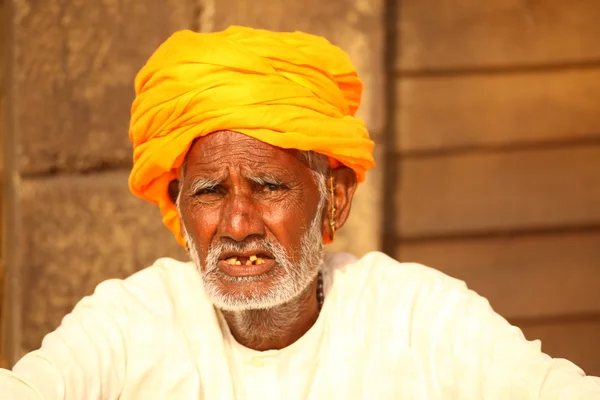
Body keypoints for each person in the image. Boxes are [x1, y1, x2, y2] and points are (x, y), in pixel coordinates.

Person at [1, 26, 599, 399]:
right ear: (179, 205)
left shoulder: (419, 318)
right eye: (210, 192)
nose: (237, 225)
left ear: (333, 197)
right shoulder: (130, 324)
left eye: (267, 186)